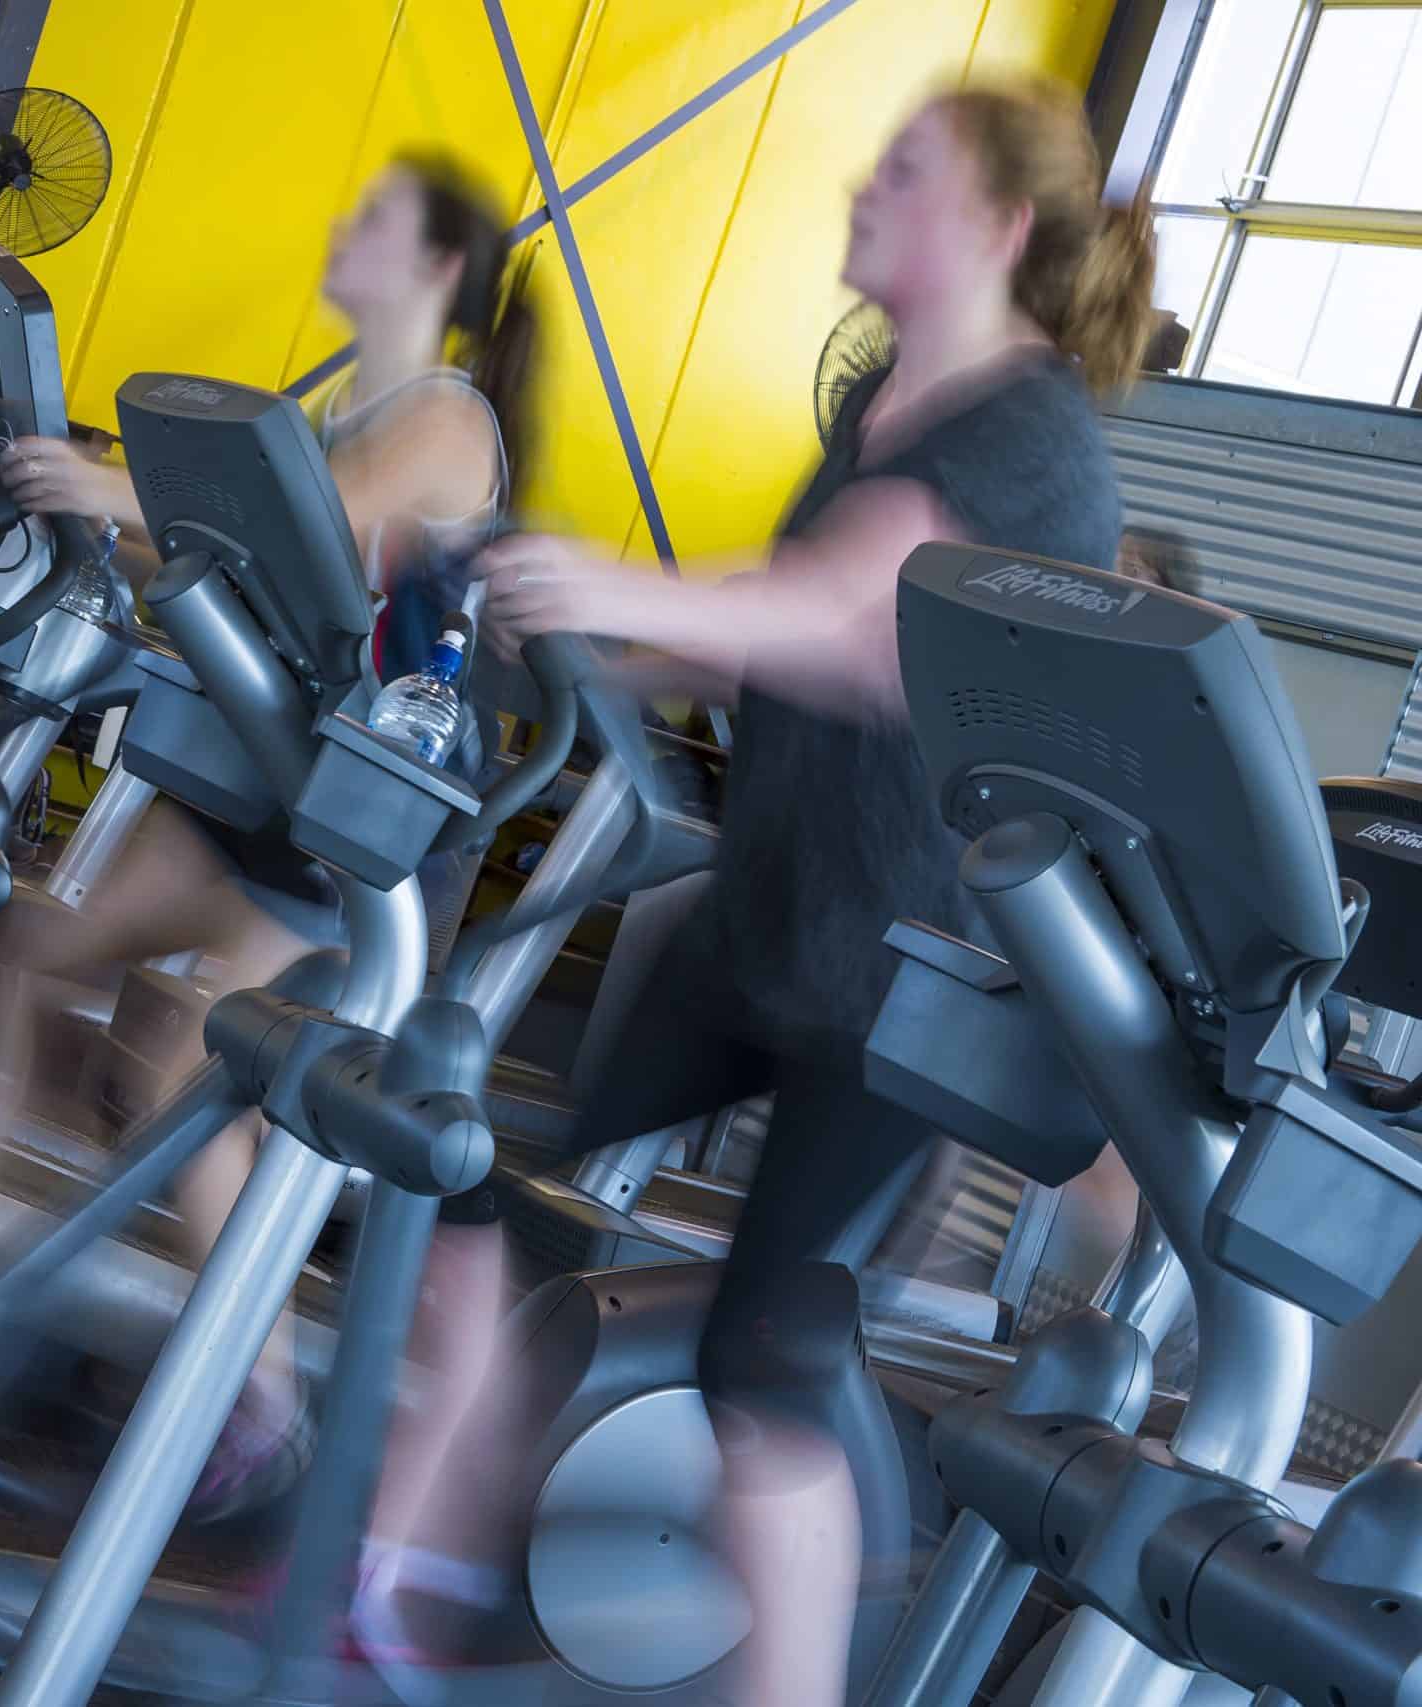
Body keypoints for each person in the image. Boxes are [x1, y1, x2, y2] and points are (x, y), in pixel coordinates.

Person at [355, 78, 1156, 1703]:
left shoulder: (1029, 436)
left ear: (997, 227)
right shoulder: (882, 403)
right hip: (772, 923)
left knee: (761, 1360)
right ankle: (419, 1562)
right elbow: (767, 627)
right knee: (466, 1172)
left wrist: (619, 582)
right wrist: (579, 637)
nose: (868, 181)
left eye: (907, 167)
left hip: (910, 988)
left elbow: (857, 615)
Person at [0, 154, 537, 1519]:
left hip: (349, 822)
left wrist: (107, 489)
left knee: (173, 1066)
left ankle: (260, 1397)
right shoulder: (337, 401)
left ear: (440, 270)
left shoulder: (448, 420)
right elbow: (250, 554)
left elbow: (320, 522)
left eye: (373, 216)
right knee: (22, 945)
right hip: (247, 786)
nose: (341, 220)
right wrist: (91, 518)